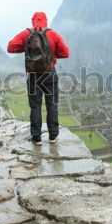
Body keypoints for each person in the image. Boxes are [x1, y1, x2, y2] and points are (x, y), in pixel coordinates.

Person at [7, 12, 69, 144]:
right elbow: (65, 52)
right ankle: (53, 136)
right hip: (50, 74)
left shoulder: (26, 34)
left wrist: (26, 48)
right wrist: (52, 54)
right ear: (46, 21)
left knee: (35, 106)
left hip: (34, 76)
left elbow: (10, 47)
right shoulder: (52, 34)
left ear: (32, 21)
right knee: (52, 104)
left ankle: (36, 137)